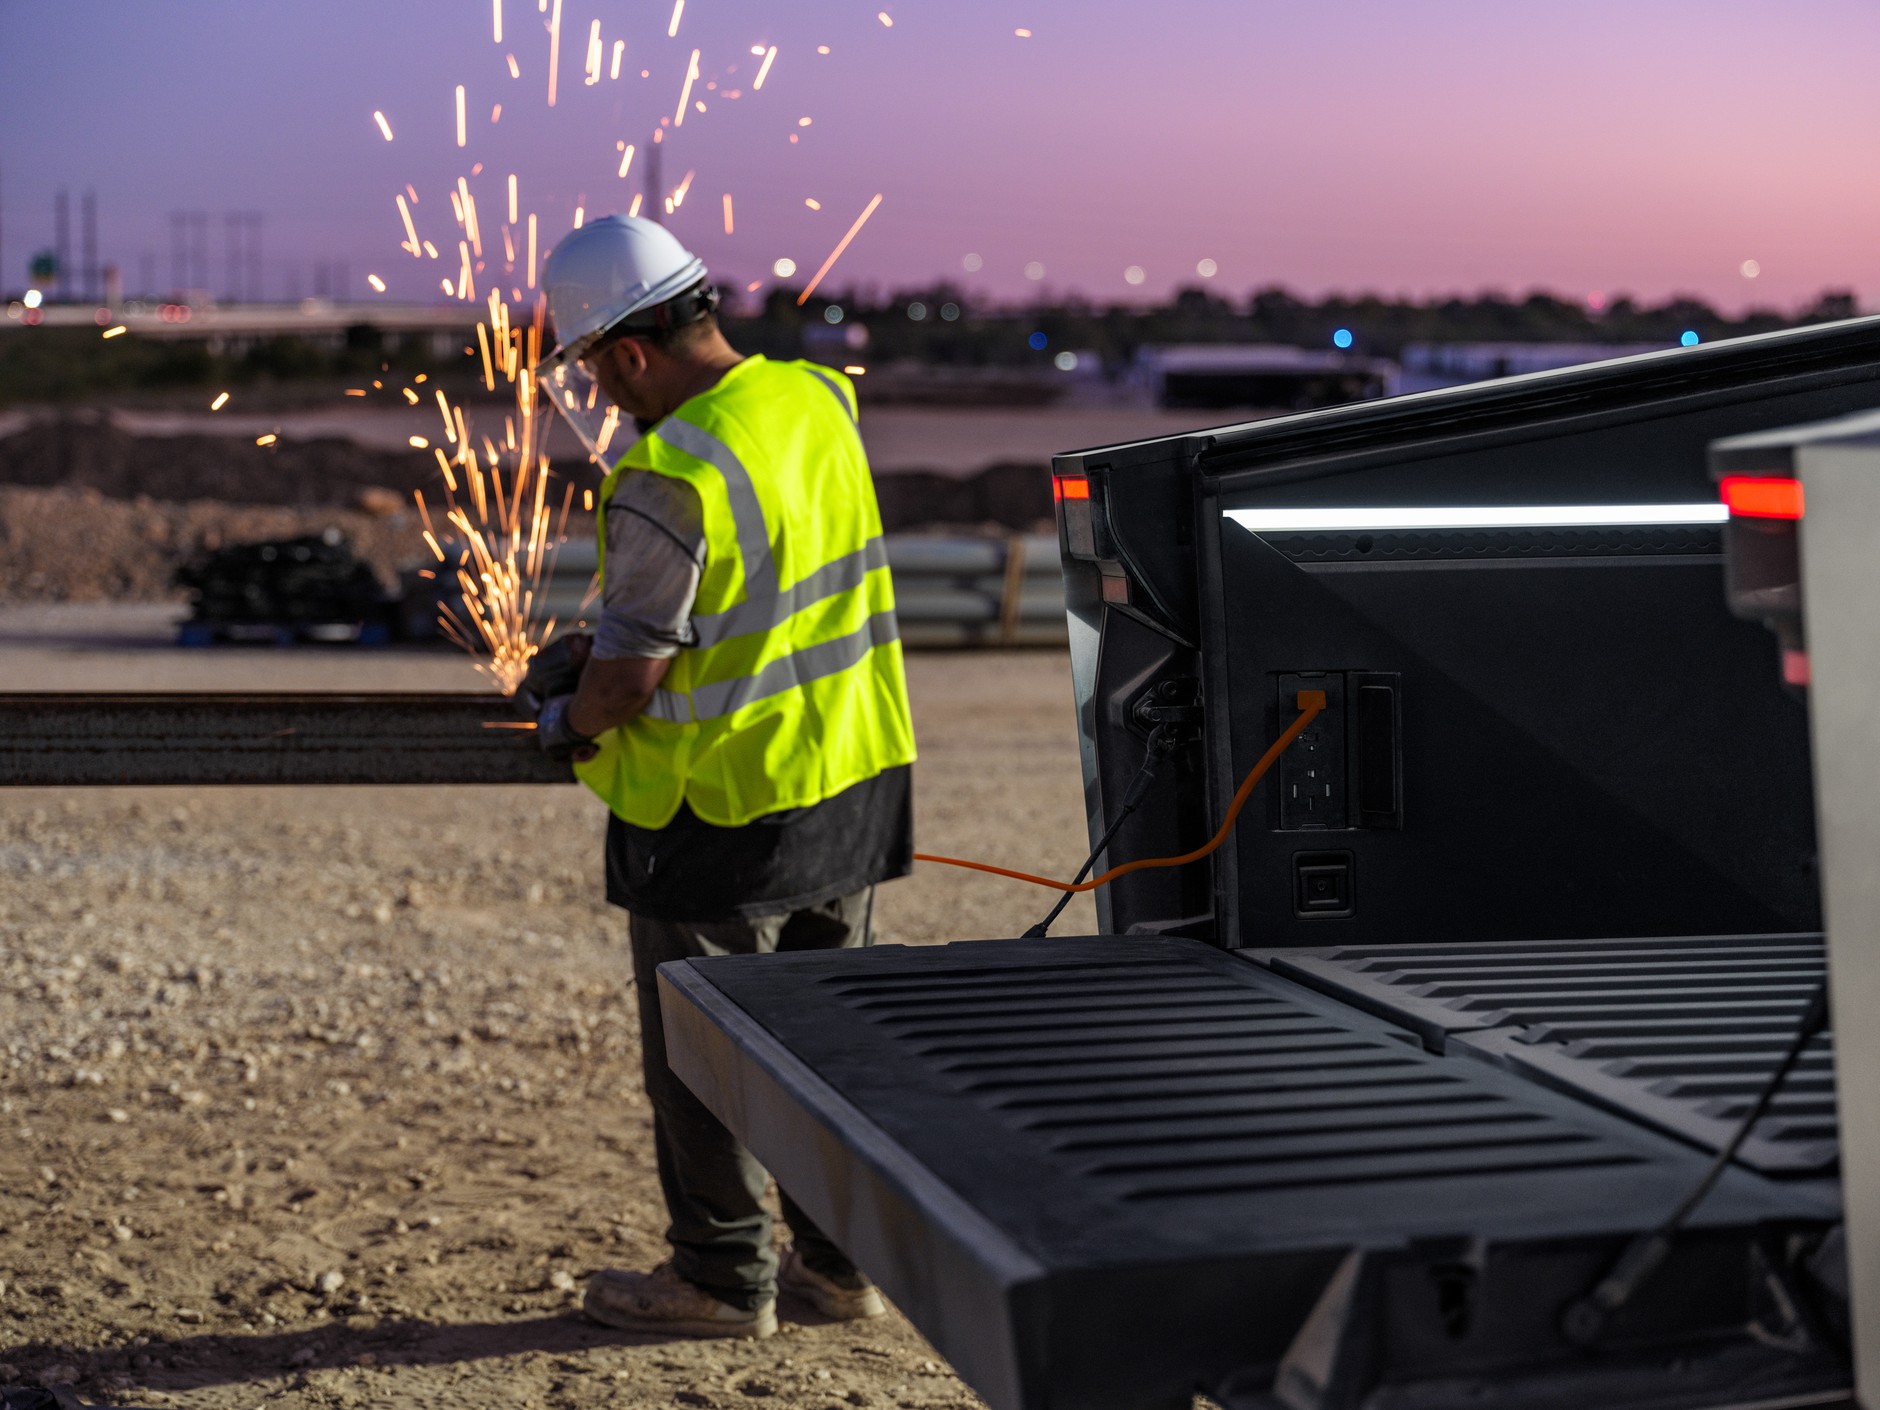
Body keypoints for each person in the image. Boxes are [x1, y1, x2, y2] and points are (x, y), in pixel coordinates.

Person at [526, 215, 917, 1341]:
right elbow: (774, 590)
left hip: (718, 813)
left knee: (703, 1061)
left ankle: (716, 1281)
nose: (599, 395)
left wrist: (562, 712)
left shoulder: (667, 470)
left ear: (630, 353)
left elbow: (625, 687)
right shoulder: (814, 399)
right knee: (824, 1049)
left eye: (593, 370)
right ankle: (839, 1276)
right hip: (851, 773)